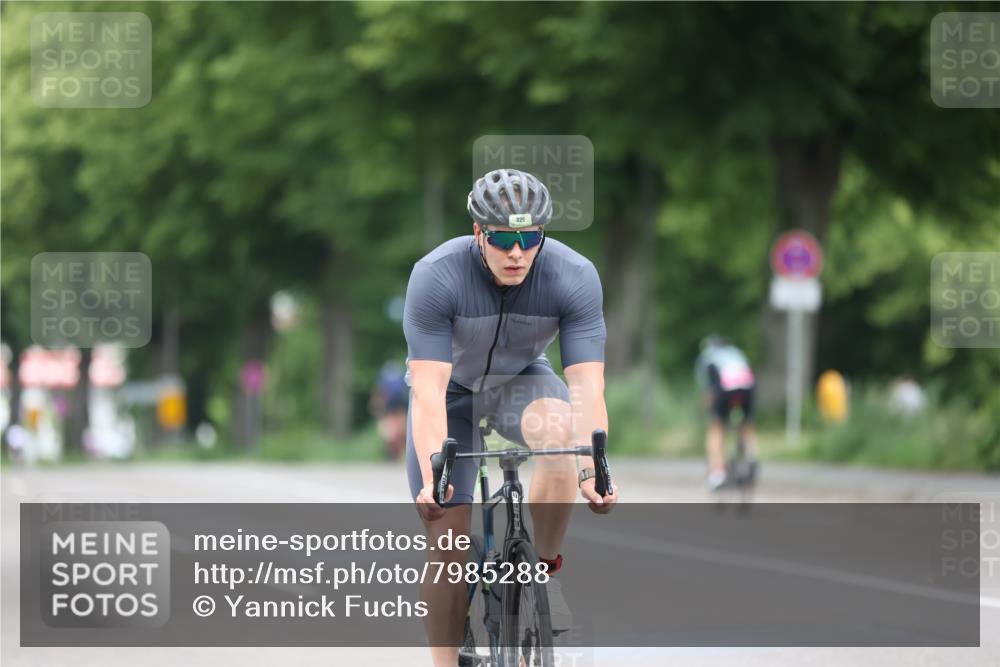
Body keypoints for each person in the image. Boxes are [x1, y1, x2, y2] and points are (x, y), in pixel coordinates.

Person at [404, 168, 617, 667]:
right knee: (449, 546)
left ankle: (541, 573)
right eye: (503, 239)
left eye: (529, 238)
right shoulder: (437, 275)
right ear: (479, 232)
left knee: (562, 436)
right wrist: (435, 473)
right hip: (451, 392)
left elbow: (586, 386)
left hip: (522, 381)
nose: (517, 252)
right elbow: (430, 388)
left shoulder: (574, 275)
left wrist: (593, 470)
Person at [694, 335, 758, 490]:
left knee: (716, 429)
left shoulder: (708, 356)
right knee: (746, 425)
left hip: (725, 386)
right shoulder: (736, 353)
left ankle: (718, 473)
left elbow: (708, 389)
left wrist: (707, 407)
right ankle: (751, 456)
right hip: (747, 386)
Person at [370, 361, 409, 459]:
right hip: (398, 405)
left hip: (392, 406)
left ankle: (394, 453)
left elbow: (380, 392)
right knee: (399, 429)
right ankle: (398, 452)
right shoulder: (400, 377)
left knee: (391, 431)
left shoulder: (385, 378)